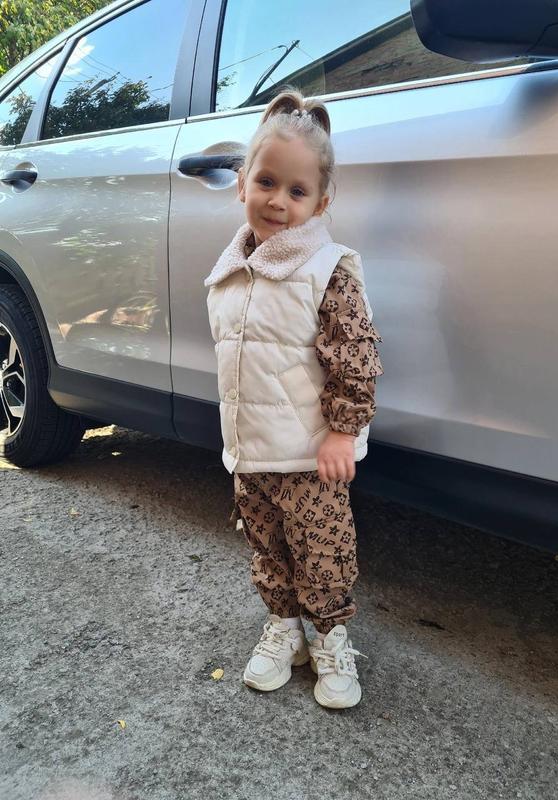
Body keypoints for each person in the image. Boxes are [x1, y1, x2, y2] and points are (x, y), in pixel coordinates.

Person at [204, 89, 383, 709]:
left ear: (321, 203)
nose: (278, 200)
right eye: (266, 182)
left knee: (322, 550)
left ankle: (330, 637)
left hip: (312, 456)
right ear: (242, 184)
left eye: (297, 191)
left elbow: (356, 356)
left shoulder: (327, 269)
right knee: (267, 545)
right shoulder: (229, 273)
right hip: (251, 452)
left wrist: (343, 431)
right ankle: (285, 627)